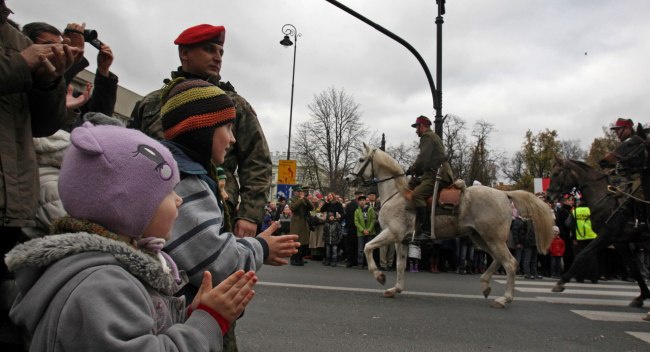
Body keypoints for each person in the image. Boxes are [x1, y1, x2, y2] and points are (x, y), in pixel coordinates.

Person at [6, 122, 257, 351]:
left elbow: (144, 331)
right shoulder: (103, 285)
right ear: (129, 203)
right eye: (169, 191)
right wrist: (207, 322)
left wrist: (191, 314)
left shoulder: (108, 271)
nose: (179, 200)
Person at [158, 78, 299, 351]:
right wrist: (260, 247)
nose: (233, 138)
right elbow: (217, 263)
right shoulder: (186, 182)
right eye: (227, 127)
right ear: (201, 129)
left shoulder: (184, 171)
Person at [129, 24, 272, 238]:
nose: (218, 57)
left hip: (215, 207)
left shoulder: (234, 103)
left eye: (220, 52)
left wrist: (249, 215)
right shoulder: (151, 103)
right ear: (184, 53)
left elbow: (257, 161)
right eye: (209, 50)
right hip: (155, 204)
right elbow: (129, 153)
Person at [1, 6, 81, 349]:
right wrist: (22, 63)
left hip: (11, 205)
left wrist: (50, 79)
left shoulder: (12, 36)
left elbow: (44, 123)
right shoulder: (20, 48)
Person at [22, 21, 118, 128]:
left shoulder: (70, 94)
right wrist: (74, 57)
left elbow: (100, 119)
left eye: (61, 46)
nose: (58, 51)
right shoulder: (15, 80)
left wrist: (103, 70)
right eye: (49, 45)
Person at [406, 115, 454, 243]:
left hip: (437, 174)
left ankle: (426, 230)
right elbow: (427, 161)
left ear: (422, 126)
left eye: (417, 127)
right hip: (434, 172)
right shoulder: (433, 137)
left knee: (416, 195)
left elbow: (423, 159)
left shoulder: (427, 137)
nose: (416, 131)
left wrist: (412, 169)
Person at [572, 199, 599, 284]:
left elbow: (571, 225)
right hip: (592, 236)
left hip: (580, 237)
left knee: (580, 257)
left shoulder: (575, 211)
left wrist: (574, 237)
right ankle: (594, 278)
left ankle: (580, 277)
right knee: (592, 258)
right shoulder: (592, 210)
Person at [289, 184, 313, 266]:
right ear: (294, 192)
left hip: (304, 221)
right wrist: (301, 199)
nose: (300, 193)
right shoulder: (291, 199)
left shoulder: (303, 199)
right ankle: (293, 259)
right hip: (296, 222)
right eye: (298, 191)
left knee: (303, 242)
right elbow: (293, 208)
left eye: (300, 191)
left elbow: (311, 208)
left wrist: (307, 200)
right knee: (296, 241)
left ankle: (300, 258)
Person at [354, 195, 376, 269]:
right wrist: (363, 230)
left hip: (370, 232)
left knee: (369, 249)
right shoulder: (357, 211)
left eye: (363, 200)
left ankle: (369, 264)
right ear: (358, 202)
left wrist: (369, 230)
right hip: (361, 232)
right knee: (360, 249)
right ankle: (360, 263)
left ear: (365, 201)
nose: (361, 202)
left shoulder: (370, 209)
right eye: (360, 201)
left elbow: (373, 220)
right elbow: (356, 222)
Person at [344, 191, 363, 267]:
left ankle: (359, 261)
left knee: (360, 245)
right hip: (352, 227)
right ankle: (350, 261)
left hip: (362, 228)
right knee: (351, 245)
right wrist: (349, 225)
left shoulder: (364, 204)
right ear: (355, 196)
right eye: (357, 195)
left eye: (360, 195)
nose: (359, 196)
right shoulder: (350, 205)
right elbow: (347, 216)